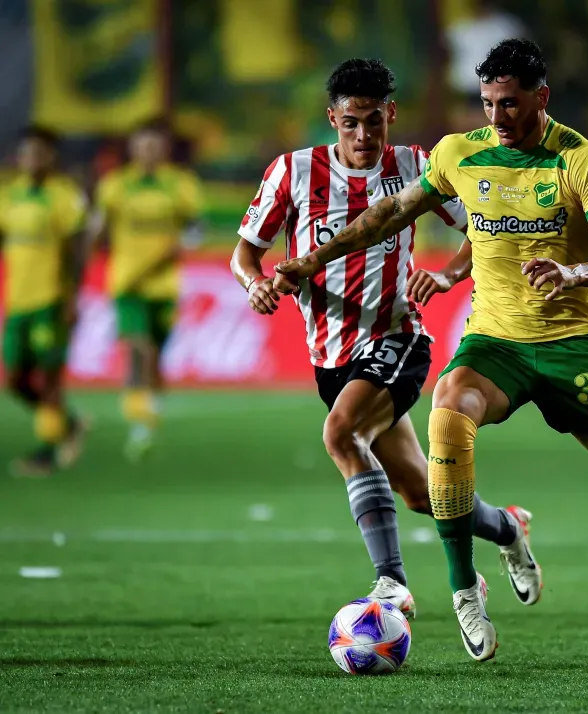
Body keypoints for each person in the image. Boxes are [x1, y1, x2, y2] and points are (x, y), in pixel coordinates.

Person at [274, 40, 588, 666]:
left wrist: (573, 274)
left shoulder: (582, 161)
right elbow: (388, 214)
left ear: (541, 97)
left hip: (573, 347)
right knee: (448, 410)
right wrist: (312, 260)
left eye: (509, 104)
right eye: (486, 103)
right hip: (496, 342)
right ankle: (463, 593)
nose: (496, 117)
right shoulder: (461, 153)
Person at [230, 58, 539, 619]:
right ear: (333, 119)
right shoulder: (293, 171)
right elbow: (246, 253)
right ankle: (507, 527)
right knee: (424, 495)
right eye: (351, 122)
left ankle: (391, 583)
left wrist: (446, 274)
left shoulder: (417, 167)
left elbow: (483, 228)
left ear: (391, 114)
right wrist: (255, 284)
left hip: (397, 337)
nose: (364, 134)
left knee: (342, 434)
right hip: (330, 356)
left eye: (375, 120)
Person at [91, 119, 203, 461]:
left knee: (154, 355)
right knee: (138, 349)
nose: (149, 151)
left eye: (155, 145)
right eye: (143, 145)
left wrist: (183, 244)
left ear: (165, 149)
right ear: (133, 148)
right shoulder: (115, 185)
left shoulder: (180, 184)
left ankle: (147, 415)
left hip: (164, 284)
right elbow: (100, 227)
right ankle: (139, 421)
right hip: (127, 282)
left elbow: (195, 227)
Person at [0, 126, 89, 476]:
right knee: (14, 381)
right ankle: (69, 422)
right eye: (27, 152)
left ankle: (49, 452)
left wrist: (71, 297)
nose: (33, 158)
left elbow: (77, 252)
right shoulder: (10, 196)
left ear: (52, 157)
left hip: (50, 300)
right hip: (17, 302)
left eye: (40, 152)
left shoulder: (64, 196)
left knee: (50, 380)